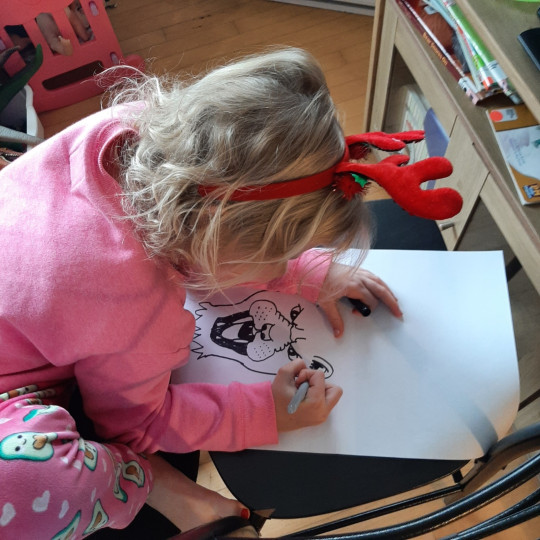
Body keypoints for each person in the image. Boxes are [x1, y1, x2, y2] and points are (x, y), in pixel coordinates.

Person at [0, 46, 420, 538]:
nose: (285, 264)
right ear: (216, 238)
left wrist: (302, 270)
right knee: (31, 487)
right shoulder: (131, 302)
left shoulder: (135, 129)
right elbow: (135, 426)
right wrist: (267, 412)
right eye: (282, 253)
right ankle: (141, 481)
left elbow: (203, 236)